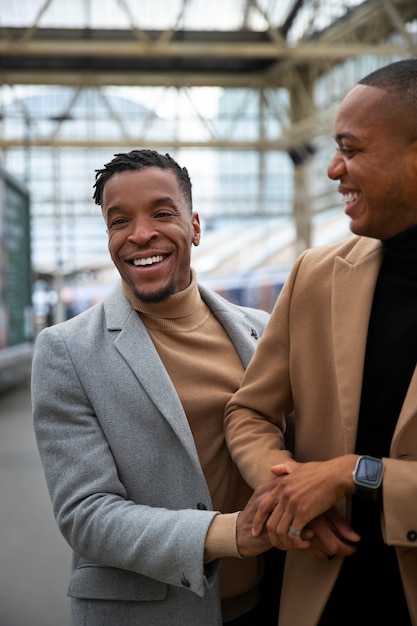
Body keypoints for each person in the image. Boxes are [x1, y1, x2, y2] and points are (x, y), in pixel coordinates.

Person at [31, 149, 281, 626]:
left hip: (268, 604)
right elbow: (87, 515)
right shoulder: (66, 351)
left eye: (162, 213)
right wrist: (230, 534)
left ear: (195, 227)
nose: (140, 234)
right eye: (118, 220)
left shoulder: (263, 332)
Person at [224, 58, 417, 626]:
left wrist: (355, 473)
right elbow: (248, 412)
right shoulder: (315, 275)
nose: (333, 169)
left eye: (351, 149)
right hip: (319, 601)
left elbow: (348, 471)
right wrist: (285, 487)